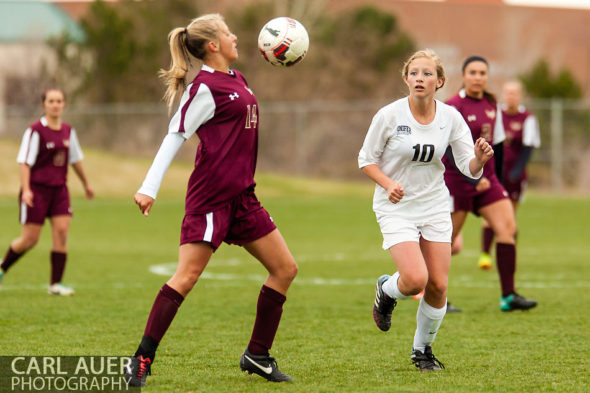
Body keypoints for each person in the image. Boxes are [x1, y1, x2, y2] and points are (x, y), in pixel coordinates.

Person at [124, 14, 298, 387]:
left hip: (243, 197)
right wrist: (148, 187)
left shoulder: (238, 80)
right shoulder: (204, 87)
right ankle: (141, 357)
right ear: (213, 45)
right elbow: (176, 135)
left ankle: (257, 355)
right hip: (211, 198)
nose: (236, 36)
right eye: (228, 32)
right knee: (186, 277)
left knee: (285, 269)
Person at [359, 49, 493, 371]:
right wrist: (388, 184)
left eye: (427, 73)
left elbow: (468, 167)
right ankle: (387, 290)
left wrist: (480, 158)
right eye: (414, 73)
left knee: (438, 285)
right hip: (396, 207)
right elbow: (366, 159)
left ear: (440, 81)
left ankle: (422, 351)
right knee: (416, 279)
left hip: (434, 205)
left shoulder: (450, 118)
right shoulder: (389, 115)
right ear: (406, 78)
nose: (420, 78)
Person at [443, 56, 537, 311]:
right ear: (463, 75)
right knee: (446, 242)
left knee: (507, 228)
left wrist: (498, 181)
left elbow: (497, 145)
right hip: (457, 180)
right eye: (472, 72)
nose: (477, 77)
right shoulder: (452, 106)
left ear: (487, 76)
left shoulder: (491, 104)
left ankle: (508, 296)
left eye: (482, 72)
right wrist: (472, 178)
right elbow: (449, 150)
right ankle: (437, 298)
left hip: (488, 180)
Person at [0, 88, 94, 295]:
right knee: (30, 240)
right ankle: (2, 267)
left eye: (59, 101)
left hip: (59, 190)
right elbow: (24, 162)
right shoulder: (35, 131)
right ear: (44, 105)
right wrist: (26, 190)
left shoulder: (69, 131)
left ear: (64, 104)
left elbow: (75, 160)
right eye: (51, 101)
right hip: (36, 190)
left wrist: (86, 183)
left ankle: (55, 284)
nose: (55, 104)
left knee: (61, 232)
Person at [476, 80, 541, 269]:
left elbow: (529, 147)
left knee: (509, 217)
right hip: (494, 173)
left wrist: (517, 171)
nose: (510, 96)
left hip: (515, 176)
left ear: (520, 96)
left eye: (514, 93)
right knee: (489, 214)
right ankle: (485, 255)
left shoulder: (527, 118)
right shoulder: (495, 114)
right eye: (507, 92)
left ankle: (508, 254)